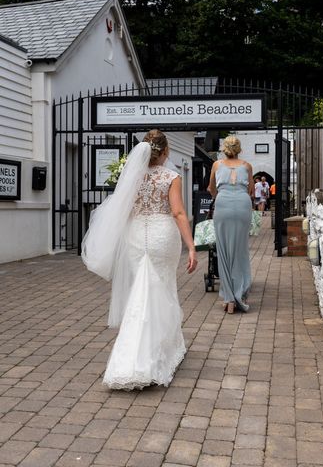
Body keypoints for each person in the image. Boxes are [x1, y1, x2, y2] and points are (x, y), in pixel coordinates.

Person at [81, 129, 197, 390]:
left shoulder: (131, 176)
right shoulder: (171, 176)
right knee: (162, 288)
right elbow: (178, 212)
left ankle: (136, 354)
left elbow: (123, 210)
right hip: (161, 236)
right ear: (165, 152)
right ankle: (155, 353)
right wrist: (191, 246)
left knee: (140, 291)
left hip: (135, 235)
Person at [208, 136, 253, 314]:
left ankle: (229, 299)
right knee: (240, 250)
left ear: (224, 148)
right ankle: (239, 292)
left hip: (223, 204)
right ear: (239, 149)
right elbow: (250, 190)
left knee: (224, 250)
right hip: (242, 205)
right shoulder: (247, 166)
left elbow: (211, 188)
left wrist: (221, 193)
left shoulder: (217, 165)